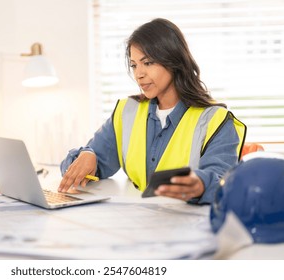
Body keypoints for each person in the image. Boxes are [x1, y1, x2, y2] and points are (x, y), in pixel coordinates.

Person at [58, 18, 246, 204]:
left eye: (147, 63)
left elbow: (222, 181)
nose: (139, 74)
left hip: (190, 224)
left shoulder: (216, 120)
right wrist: (87, 155)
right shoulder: (127, 111)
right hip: (142, 220)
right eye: (134, 65)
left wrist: (201, 184)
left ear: (173, 61)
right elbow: (92, 163)